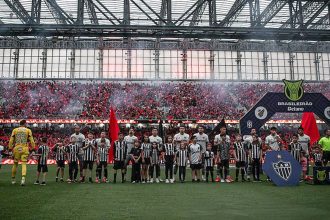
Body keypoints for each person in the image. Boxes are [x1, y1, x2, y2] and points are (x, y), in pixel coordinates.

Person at [8, 120, 36, 186]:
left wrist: (10, 149)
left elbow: (11, 140)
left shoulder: (15, 130)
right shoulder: (28, 130)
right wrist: (33, 148)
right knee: (24, 164)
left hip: (17, 148)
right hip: (24, 148)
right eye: (26, 123)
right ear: (24, 123)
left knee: (15, 164)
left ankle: (13, 180)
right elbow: (32, 140)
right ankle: (23, 180)